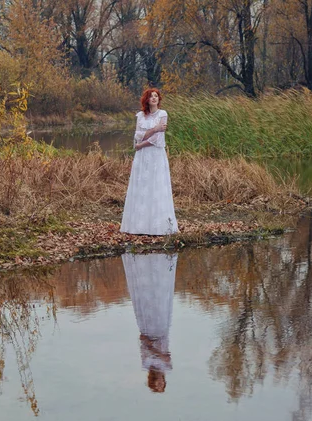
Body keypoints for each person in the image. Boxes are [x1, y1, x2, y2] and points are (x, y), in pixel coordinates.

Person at [120, 88, 178, 235]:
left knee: (156, 186)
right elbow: (137, 135)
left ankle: (158, 226)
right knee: (142, 186)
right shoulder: (140, 116)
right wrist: (154, 129)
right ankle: (139, 226)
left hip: (155, 155)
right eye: (151, 96)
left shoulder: (163, 114)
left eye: (156, 96)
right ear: (146, 99)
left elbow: (157, 139)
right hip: (142, 157)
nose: (154, 98)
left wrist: (141, 144)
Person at [122, 252, 177, 393]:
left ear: (152, 381)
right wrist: (153, 349)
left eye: (158, 385)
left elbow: (143, 341)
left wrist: (151, 348)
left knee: (148, 306)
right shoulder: (167, 367)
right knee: (159, 305)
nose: (160, 382)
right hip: (161, 331)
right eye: (162, 384)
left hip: (148, 330)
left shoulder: (146, 364)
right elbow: (166, 356)